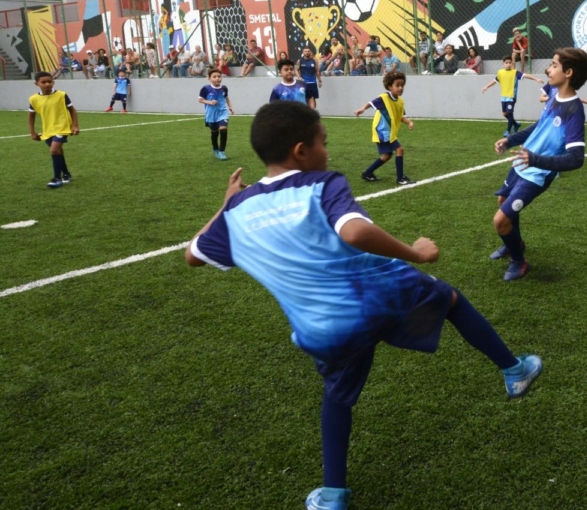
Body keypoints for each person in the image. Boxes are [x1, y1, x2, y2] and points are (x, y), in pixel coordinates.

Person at [183, 101, 542, 510]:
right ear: (301, 151)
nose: (328, 152)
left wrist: (226, 203)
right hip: (380, 293)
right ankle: (514, 371)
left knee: (337, 395)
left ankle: (333, 494)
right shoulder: (321, 183)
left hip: (321, 329)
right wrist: (416, 252)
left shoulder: (237, 211)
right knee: (451, 300)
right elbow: (353, 232)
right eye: (324, 142)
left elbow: (193, 256)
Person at [488, 48, 587, 281]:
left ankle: (519, 261)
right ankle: (514, 244)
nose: (548, 69)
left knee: (500, 221)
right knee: (502, 202)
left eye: (554, 65)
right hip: (523, 163)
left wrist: (535, 159)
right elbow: (538, 127)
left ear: (568, 72)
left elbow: (576, 158)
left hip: (537, 174)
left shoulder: (574, 111)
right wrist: (510, 140)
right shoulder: (554, 97)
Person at [354, 71, 413, 185]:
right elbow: (371, 103)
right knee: (399, 149)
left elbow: (400, 117)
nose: (400, 88)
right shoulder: (384, 98)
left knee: (387, 155)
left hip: (388, 132)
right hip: (382, 131)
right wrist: (362, 109)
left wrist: (409, 122)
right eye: (397, 85)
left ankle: (367, 173)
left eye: (402, 85)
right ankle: (400, 178)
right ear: (390, 86)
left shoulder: (400, 101)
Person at [27, 71, 80, 188]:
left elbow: (72, 110)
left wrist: (75, 125)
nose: (47, 84)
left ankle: (56, 178)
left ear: (53, 82)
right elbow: (31, 116)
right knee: (58, 151)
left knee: (54, 150)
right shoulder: (33, 99)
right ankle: (66, 174)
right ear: (37, 84)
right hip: (48, 129)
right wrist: (32, 132)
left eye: (49, 82)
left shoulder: (61, 95)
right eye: (43, 82)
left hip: (63, 127)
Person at [480, 56, 544, 137]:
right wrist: (486, 86)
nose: (508, 64)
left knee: (510, 114)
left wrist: (536, 79)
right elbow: (495, 80)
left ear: (512, 64)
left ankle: (507, 131)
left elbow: (525, 75)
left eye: (510, 63)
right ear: (503, 64)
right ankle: (516, 124)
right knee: (504, 114)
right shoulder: (500, 72)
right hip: (503, 97)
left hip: (511, 97)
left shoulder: (515, 72)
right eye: (506, 63)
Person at [199, 68, 235, 160]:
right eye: (214, 77)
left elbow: (226, 98)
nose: (217, 78)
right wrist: (210, 102)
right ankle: (215, 148)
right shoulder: (205, 88)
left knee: (223, 130)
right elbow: (200, 100)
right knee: (214, 133)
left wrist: (230, 107)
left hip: (222, 113)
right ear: (209, 78)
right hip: (211, 114)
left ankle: (222, 151)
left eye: (219, 76)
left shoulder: (224, 88)